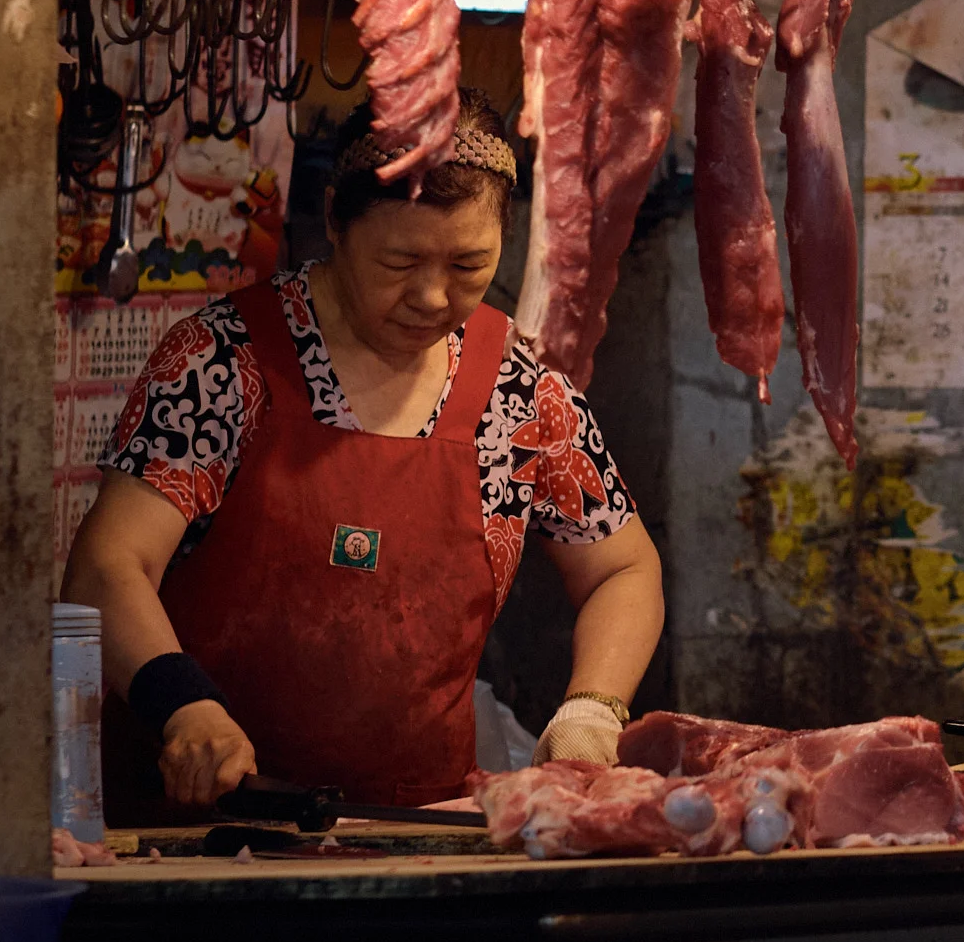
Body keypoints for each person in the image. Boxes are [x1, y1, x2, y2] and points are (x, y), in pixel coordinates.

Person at [63, 98, 666, 821]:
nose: (433, 295)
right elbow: (106, 566)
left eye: (469, 263)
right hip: (201, 823)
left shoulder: (520, 391)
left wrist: (592, 710)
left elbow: (624, 567)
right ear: (335, 221)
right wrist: (181, 702)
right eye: (399, 261)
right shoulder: (223, 361)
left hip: (421, 827)